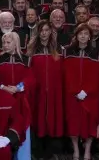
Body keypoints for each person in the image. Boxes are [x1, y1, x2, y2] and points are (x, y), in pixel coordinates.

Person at [63, 24, 99, 160]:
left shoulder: (96, 53)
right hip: (72, 94)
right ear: (76, 36)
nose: (83, 36)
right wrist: (74, 91)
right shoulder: (67, 52)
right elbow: (66, 74)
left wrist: (87, 91)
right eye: (80, 34)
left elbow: (97, 75)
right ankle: (75, 149)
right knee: (73, 122)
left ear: (90, 37)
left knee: (90, 122)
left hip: (90, 95)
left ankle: (87, 150)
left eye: (86, 34)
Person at [26, 20, 64, 158]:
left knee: (52, 118)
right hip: (38, 90)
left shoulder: (58, 49)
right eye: (41, 30)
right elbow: (28, 71)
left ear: (51, 32)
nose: (44, 33)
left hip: (54, 90)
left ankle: (50, 149)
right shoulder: (32, 49)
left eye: (47, 30)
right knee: (38, 118)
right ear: (37, 32)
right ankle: (38, 148)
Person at [0, 32, 33, 160]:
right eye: (3, 43)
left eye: (8, 42)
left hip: (20, 99)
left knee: (22, 127)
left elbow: (31, 78)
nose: (5, 45)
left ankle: (22, 157)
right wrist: (3, 87)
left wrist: (18, 87)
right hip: (3, 99)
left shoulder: (25, 59)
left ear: (16, 43)